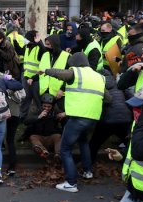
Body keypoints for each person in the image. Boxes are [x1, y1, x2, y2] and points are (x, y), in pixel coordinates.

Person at [43, 52, 106, 192]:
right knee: (83, 142)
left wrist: (46, 71)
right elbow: (107, 98)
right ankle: (87, 171)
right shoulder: (99, 77)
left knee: (65, 149)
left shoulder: (76, 72)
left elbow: (62, 74)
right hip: (93, 118)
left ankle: (71, 183)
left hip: (78, 117)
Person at [24, 93, 63, 159]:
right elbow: (26, 121)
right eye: (44, 106)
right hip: (39, 137)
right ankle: (43, 151)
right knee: (33, 137)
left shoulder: (55, 111)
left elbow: (65, 120)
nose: (46, 108)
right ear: (41, 105)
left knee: (58, 136)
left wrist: (64, 114)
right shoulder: (37, 111)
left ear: (52, 106)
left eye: (49, 107)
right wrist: (38, 117)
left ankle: (58, 155)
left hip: (51, 137)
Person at [19, 30, 46, 119]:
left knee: (38, 99)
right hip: (26, 78)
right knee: (25, 98)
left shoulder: (39, 48)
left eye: (26, 39)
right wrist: (26, 77)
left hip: (36, 79)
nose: (25, 40)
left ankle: (42, 117)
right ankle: (22, 116)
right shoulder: (27, 47)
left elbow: (45, 52)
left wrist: (40, 42)